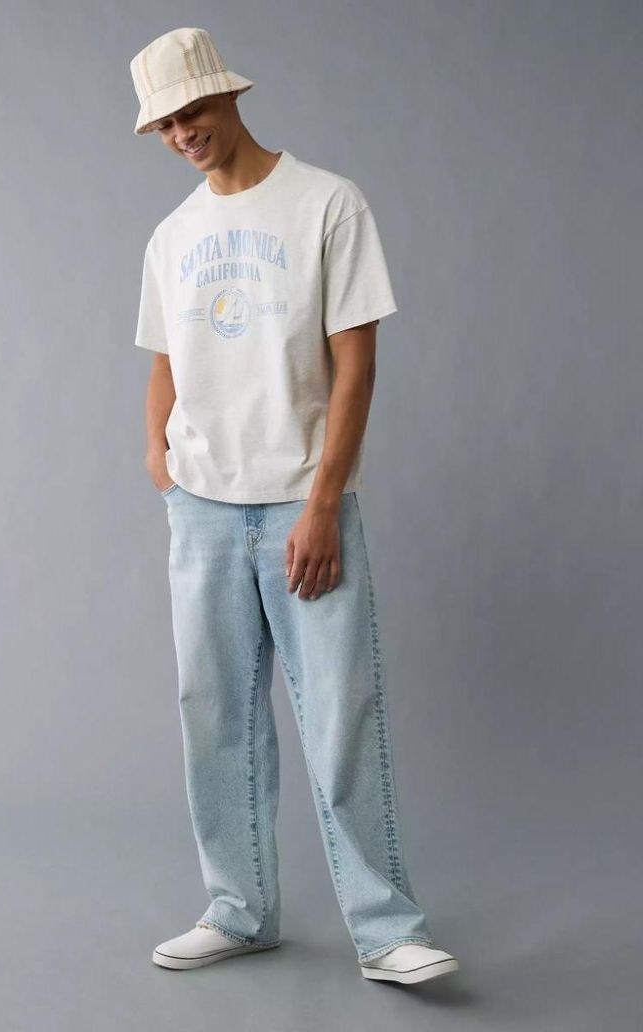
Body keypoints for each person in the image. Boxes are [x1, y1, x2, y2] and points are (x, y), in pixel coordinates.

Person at [130, 26, 460, 984]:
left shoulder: (326, 203)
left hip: (300, 507)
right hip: (201, 508)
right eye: (163, 124)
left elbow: (356, 366)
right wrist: (159, 460)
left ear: (229, 96)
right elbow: (166, 359)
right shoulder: (172, 235)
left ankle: (386, 931)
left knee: (340, 716)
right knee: (214, 717)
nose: (181, 133)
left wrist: (321, 504)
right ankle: (239, 911)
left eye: (191, 111)